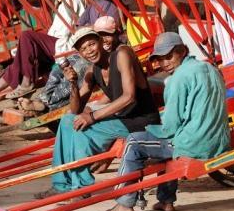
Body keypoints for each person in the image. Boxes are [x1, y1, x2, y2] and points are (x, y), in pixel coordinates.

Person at [103, 32, 230, 211]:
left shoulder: (177, 79)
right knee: (161, 143)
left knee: (134, 142)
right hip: (219, 140)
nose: (165, 63)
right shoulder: (210, 68)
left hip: (194, 144)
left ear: (183, 51)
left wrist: (152, 129)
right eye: (160, 59)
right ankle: (166, 200)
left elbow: (170, 126)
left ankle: (124, 203)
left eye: (169, 56)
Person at [33, 26, 160, 200]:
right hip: (121, 119)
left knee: (82, 129)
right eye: (83, 49)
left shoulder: (121, 54)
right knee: (67, 121)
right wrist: (72, 82)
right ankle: (61, 184)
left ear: (101, 42)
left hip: (141, 120)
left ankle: (81, 187)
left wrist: (92, 117)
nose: (89, 51)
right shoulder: (93, 71)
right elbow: (75, 109)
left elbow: (129, 97)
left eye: (92, 44)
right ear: (80, 54)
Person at [0, 0, 85, 103]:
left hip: (64, 47)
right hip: (56, 46)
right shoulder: (62, 3)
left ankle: (27, 82)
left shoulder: (71, 0)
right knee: (17, 63)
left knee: (27, 36)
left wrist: (43, 44)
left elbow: (62, 35)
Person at [17, 16, 121, 115]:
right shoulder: (96, 44)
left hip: (95, 61)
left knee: (79, 67)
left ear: (116, 33)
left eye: (108, 35)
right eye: (101, 36)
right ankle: (42, 98)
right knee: (63, 65)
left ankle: (46, 104)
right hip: (92, 57)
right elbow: (78, 26)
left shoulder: (120, 52)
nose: (104, 39)